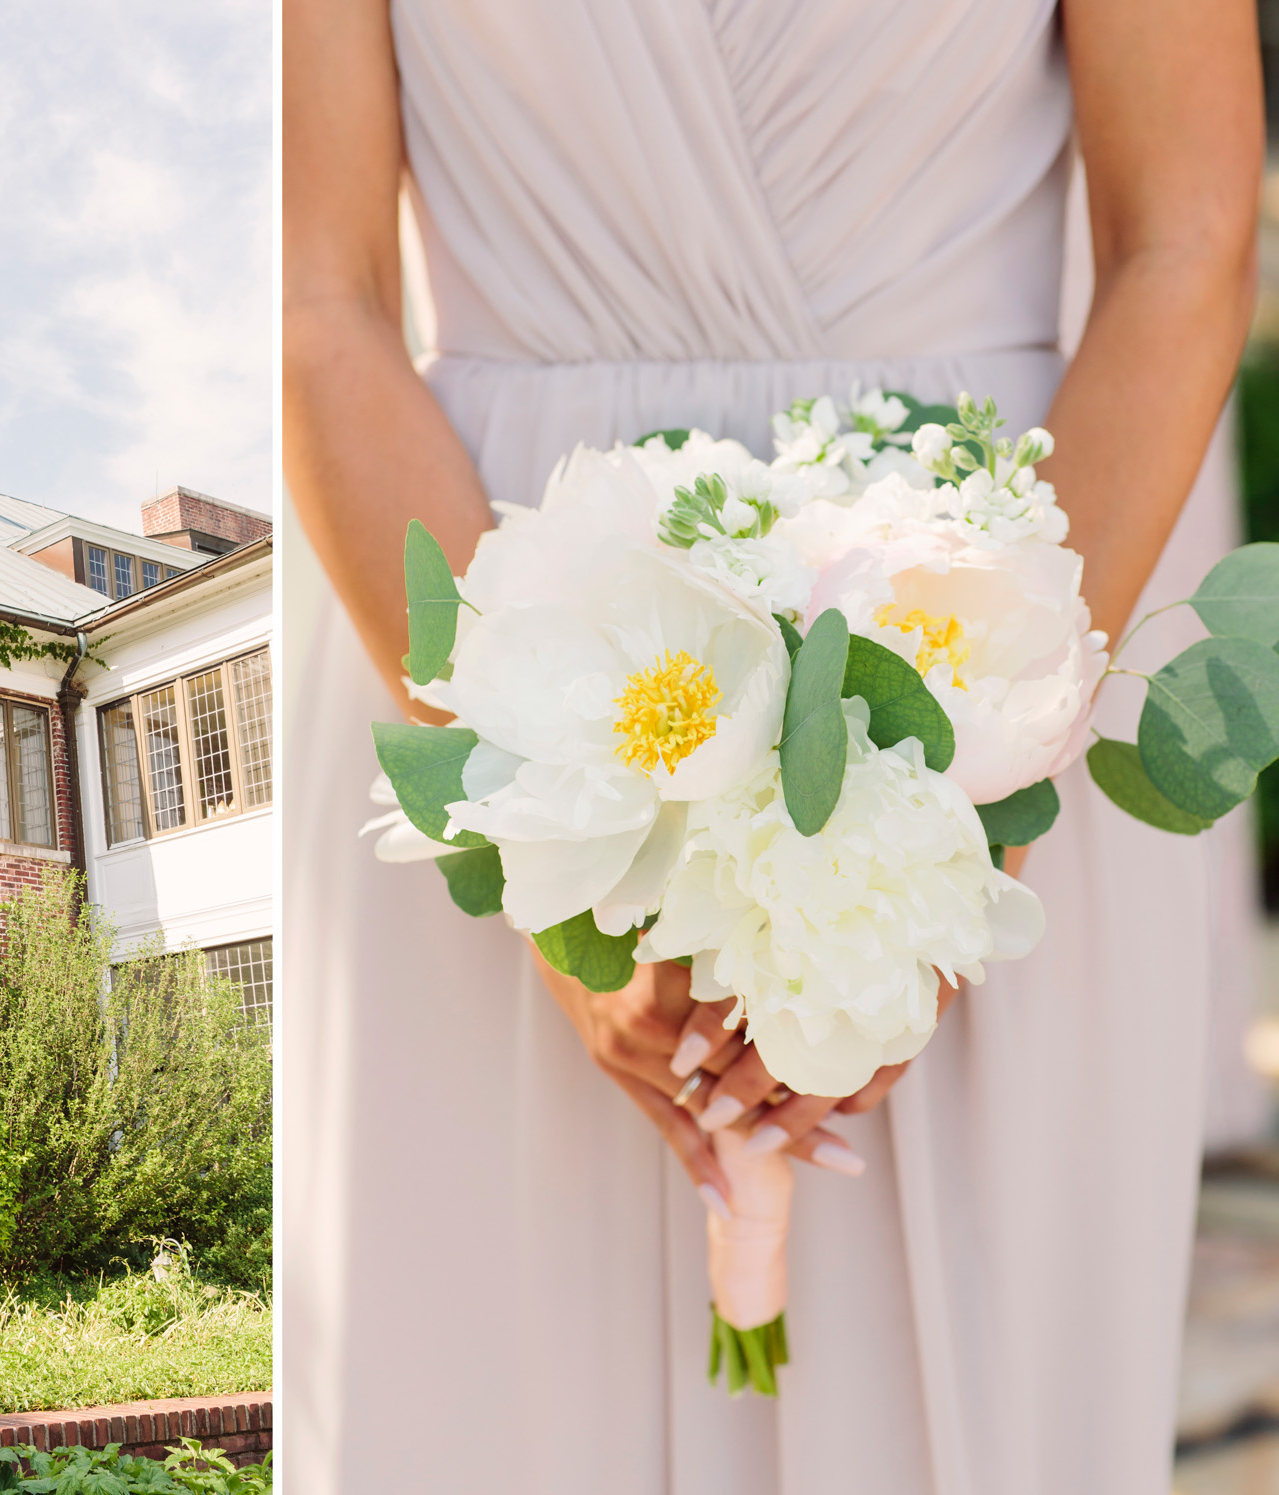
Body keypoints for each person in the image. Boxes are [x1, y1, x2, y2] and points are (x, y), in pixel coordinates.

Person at [282, 1, 1262, 1490]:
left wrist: (943, 823)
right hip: (491, 612)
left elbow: (1183, 237)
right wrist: (544, 845)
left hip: (990, 611)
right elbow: (315, 296)